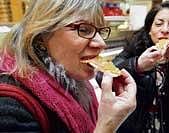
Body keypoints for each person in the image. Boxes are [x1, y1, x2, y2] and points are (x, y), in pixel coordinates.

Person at [0, 0, 137, 132]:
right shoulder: (9, 108)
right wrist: (107, 125)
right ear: (41, 36)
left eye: (100, 32)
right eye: (84, 29)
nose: (101, 43)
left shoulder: (76, 81)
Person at [112, 1, 169, 133]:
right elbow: (104, 75)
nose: (165, 30)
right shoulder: (135, 48)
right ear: (149, 30)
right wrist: (137, 65)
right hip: (133, 126)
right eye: (158, 24)